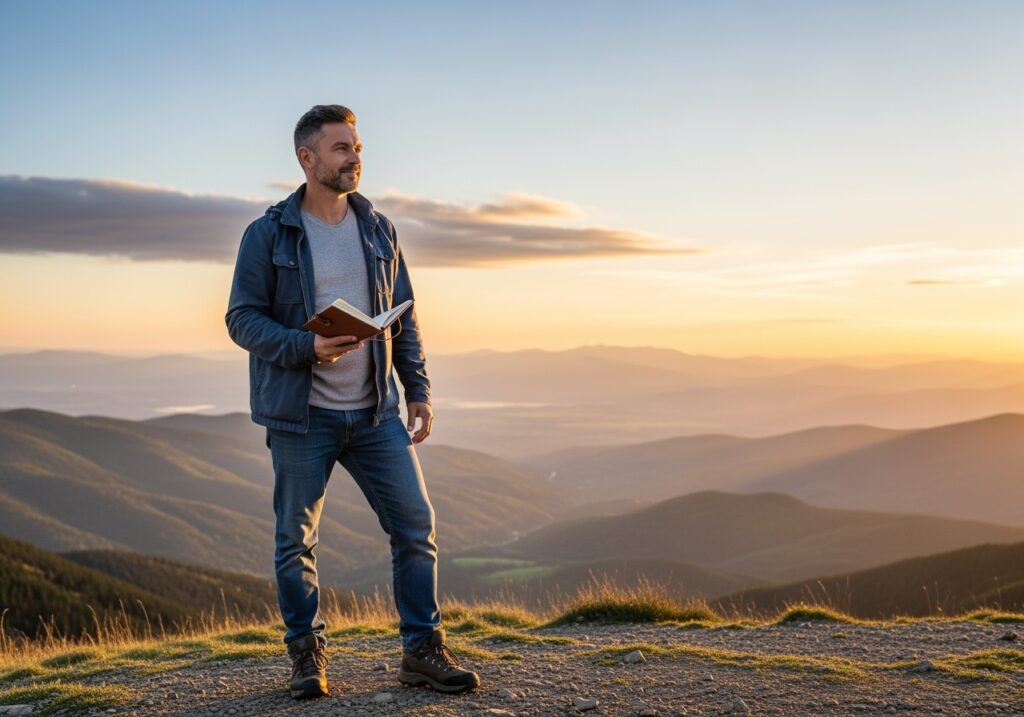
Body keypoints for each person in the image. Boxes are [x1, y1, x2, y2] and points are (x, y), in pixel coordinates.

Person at [225, 104, 480, 699]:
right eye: (341, 148)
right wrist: (305, 347)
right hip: (300, 416)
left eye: (357, 146)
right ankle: (306, 656)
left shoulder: (379, 229)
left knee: (416, 525)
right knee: (296, 541)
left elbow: (405, 315)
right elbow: (241, 320)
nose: (355, 157)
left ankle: (421, 651)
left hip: (374, 412)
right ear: (306, 159)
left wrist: (417, 390)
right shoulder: (268, 234)